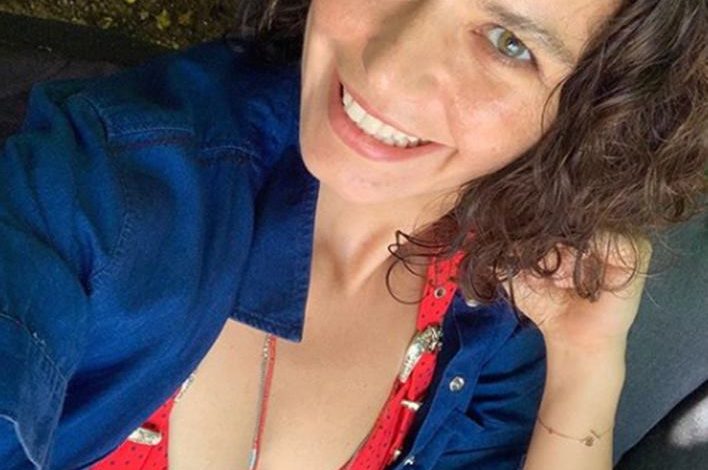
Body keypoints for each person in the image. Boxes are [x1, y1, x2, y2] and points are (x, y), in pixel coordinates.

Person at [0, 0, 704, 469]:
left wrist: (585, 368)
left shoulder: (500, 305)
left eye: (508, 43)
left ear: (596, 112)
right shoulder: (114, 179)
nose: (388, 70)